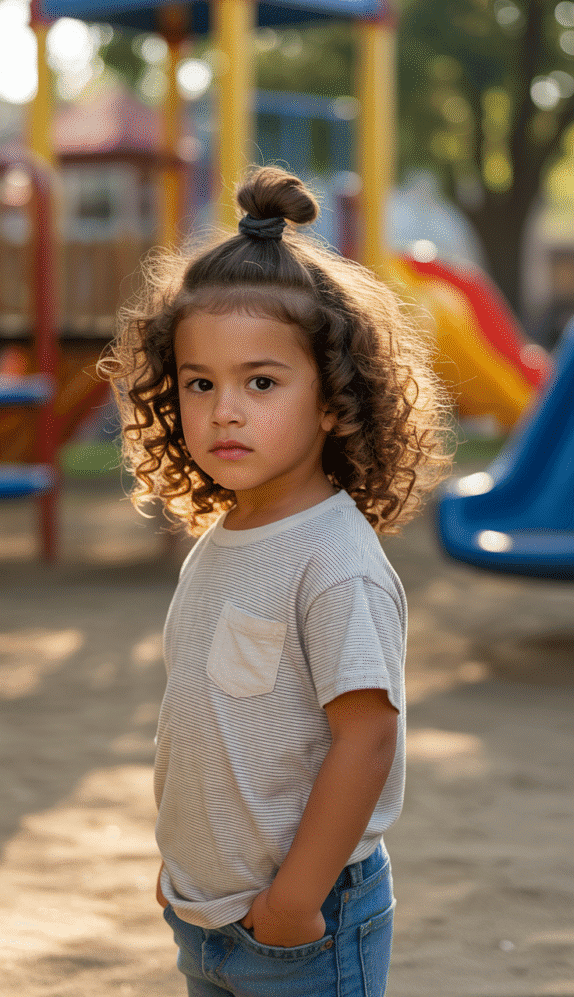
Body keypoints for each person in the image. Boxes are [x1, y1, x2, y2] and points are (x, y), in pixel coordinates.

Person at [99, 166, 452, 997]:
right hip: (209, 912)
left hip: (303, 924)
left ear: (333, 399)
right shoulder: (222, 540)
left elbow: (366, 739)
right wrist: (182, 862)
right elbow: (207, 725)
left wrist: (293, 899)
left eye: (261, 382)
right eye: (200, 383)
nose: (225, 410)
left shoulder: (334, 564)